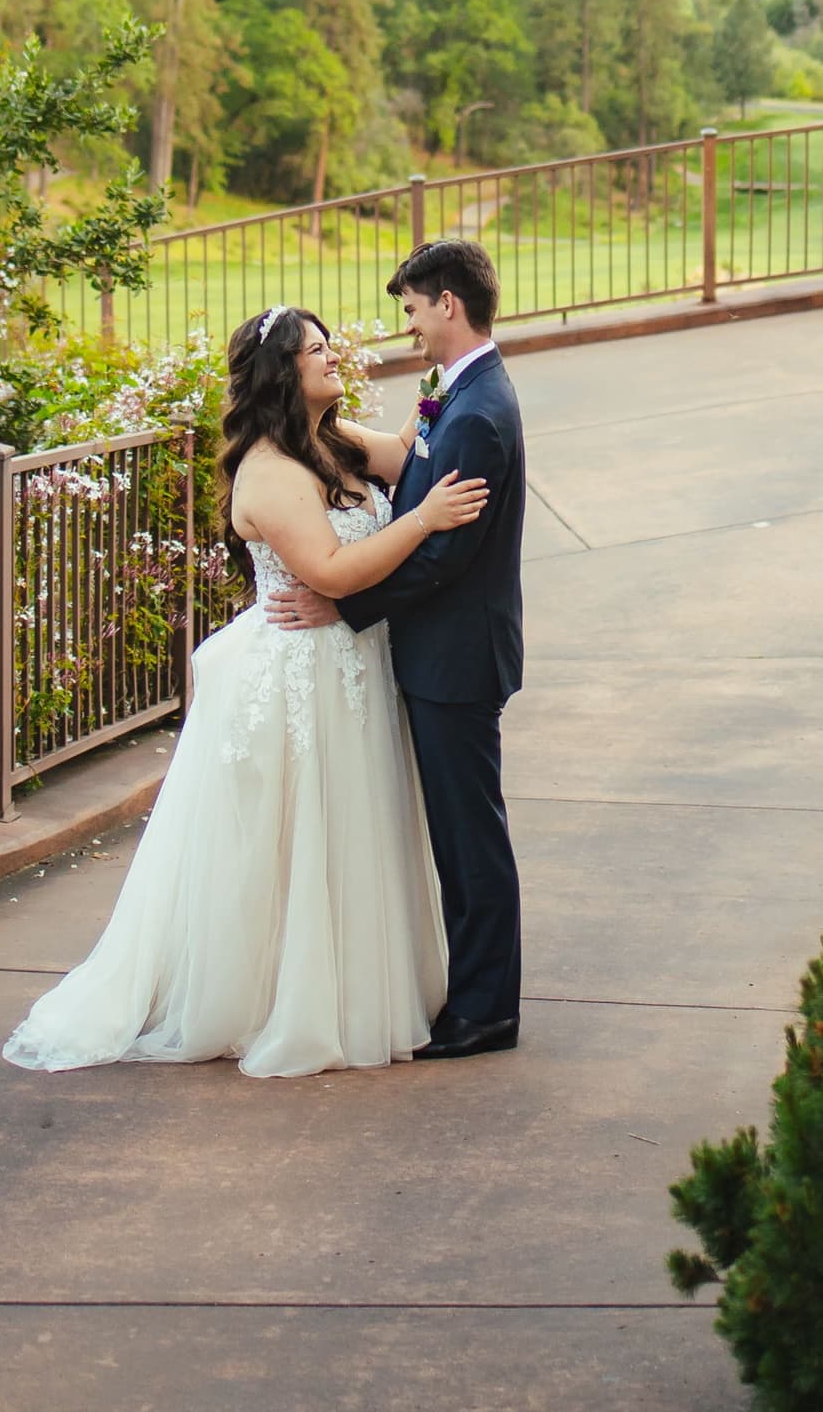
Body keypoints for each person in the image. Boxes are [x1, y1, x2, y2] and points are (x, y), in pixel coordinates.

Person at [2, 305, 490, 1078]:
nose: (334, 357)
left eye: (331, 346)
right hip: (302, 674)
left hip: (351, 668)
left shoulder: (332, 441)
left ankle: (355, 988)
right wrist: (425, 520)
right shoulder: (269, 469)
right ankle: (280, 1002)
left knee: (352, 828)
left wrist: (442, 376)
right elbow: (329, 573)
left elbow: (401, 454)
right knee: (297, 839)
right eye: (317, 351)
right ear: (281, 374)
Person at [264, 237, 527, 1060]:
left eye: (412, 308)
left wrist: (345, 606)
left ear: (447, 303)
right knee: (456, 834)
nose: (408, 325)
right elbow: (407, 476)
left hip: (457, 660)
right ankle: (477, 995)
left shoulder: (479, 413)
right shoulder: (460, 394)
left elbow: (448, 555)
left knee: (468, 837)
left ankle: (486, 1010)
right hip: (443, 655)